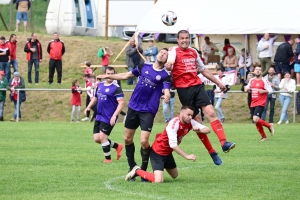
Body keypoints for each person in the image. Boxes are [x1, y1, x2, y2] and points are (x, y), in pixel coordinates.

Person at [97, 48, 171, 181]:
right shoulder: (145, 65)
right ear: (158, 54)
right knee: (127, 139)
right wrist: (108, 76)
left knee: (144, 141)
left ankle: (142, 170)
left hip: (148, 110)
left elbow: (167, 89)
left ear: (167, 60)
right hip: (133, 107)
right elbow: (126, 75)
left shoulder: (165, 75)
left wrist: (166, 95)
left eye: (166, 54)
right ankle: (132, 167)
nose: (162, 54)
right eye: (161, 52)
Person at [166, 30, 235, 164]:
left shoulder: (193, 52)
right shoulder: (174, 51)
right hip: (184, 90)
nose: (185, 40)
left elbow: (203, 70)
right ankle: (212, 152)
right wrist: (169, 65)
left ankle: (224, 143)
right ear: (177, 40)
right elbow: (170, 61)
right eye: (182, 38)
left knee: (211, 112)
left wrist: (219, 83)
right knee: (197, 122)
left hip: (197, 86)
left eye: (187, 38)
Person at [125, 106, 210, 183]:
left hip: (168, 153)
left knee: (175, 175)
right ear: (181, 113)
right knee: (158, 181)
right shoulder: (173, 124)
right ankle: (137, 171)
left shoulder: (190, 122)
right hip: (158, 152)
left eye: (191, 115)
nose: (190, 117)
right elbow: (173, 145)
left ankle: (157, 171)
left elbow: (207, 130)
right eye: (188, 115)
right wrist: (186, 156)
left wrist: (198, 129)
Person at [85, 66, 124, 163]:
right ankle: (117, 146)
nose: (110, 76)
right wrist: (88, 107)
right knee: (97, 139)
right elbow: (95, 97)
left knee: (103, 138)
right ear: (105, 74)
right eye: (108, 74)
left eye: (112, 74)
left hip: (109, 116)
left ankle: (108, 160)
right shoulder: (101, 85)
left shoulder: (116, 88)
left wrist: (114, 116)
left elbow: (121, 103)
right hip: (99, 115)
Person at [244, 66, 274, 141]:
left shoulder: (264, 80)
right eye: (257, 70)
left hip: (261, 102)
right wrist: (246, 89)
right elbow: (247, 87)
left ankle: (269, 126)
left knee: (255, 119)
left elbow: (270, 90)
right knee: (256, 121)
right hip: (253, 102)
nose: (258, 71)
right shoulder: (251, 80)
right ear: (254, 71)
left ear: (261, 72)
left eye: (260, 70)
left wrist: (263, 91)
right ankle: (264, 137)